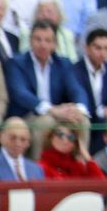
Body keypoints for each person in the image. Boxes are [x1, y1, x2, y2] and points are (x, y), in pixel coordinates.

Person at [6, 18, 88, 155]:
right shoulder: (17, 62)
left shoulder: (63, 63)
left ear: (54, 44)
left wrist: (78, 109)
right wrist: (52, 110)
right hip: (27, 114)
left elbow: (77, 89)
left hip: (58, 114)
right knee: (45, 121)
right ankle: (39, 171)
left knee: (82, 120)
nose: (42, 45)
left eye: (47, 40)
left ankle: (80, 167)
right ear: (31, 41)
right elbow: (20, 94)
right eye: (38, 39)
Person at [40, 118, 107, 173]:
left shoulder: (78, 166)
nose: (65, 140)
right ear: (51, 137)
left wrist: (87, 157)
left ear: (76, 143)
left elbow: (102, 185)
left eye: (71, 137)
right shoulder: (42, 166)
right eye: (60, 135)